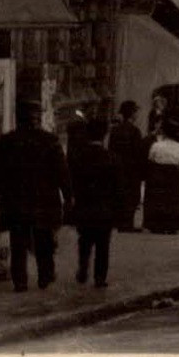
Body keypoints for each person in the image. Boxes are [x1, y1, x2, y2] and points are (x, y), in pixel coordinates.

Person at [0, 98, 71, 292]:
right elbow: (62, 172)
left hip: (16, 201)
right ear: (38, 118)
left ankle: (20, 281)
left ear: (18, 118)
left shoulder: (7, 141)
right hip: (44, 201)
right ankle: (45, 276)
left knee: (18, 242)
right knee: (44, 240)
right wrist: (68, 195)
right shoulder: (50, 141)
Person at [66, 114, 121, 288]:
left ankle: (83, 267)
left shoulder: (79, 157)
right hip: (105, 208)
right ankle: (100, 277)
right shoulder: (111, 158)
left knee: (85, 240)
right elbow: (118, 187)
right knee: (103, 244)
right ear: (104, 134)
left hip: (84, 206)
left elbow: (72, 182)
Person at [108, 100, 147, 232]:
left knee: (119, 194)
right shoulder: (135, 131)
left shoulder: (115, 131)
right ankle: (127, 223)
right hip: (132, 169)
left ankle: (120, 221)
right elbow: (139, 152)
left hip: (118, 167)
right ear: (132, 113)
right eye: (135, 111)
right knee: (132, 197)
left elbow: (111, 150)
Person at [142, 123, 179, 234]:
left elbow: (151, 157)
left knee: (157, 198)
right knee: (173, 199)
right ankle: (173, 225)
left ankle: (156, 224)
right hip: (173, 173)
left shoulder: (156, 145)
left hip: (158, 172)